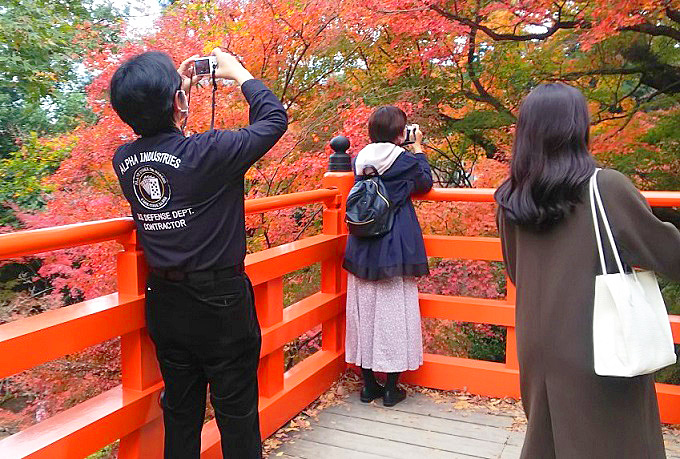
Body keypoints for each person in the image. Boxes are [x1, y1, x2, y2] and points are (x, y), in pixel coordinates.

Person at [109, 49, 288, 458]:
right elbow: (274, 119)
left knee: (180, 411)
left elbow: (165, 148)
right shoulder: (210, 152)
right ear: (178, 101)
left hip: (164, 301)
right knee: (236, 411)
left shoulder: (124, 161)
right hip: (221, 303)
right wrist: (239, 73)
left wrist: (176, 95)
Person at [495, 82, 680, 458]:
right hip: (598, 341)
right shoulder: (604, 187)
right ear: (577, 128)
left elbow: (515, 272)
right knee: (615, 442)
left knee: (549, 440)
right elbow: (670, 255)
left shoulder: (510, 196)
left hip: (538, 344)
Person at [343, 106, 433, 407]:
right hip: (395, 245)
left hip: (362, 244)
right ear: (399, 133)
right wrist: (417, 148)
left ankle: (369, 386)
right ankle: (392, 388)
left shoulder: (360, 159)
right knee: (395, 311)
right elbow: (425, 183)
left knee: (364, 311)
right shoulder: (404, 161)